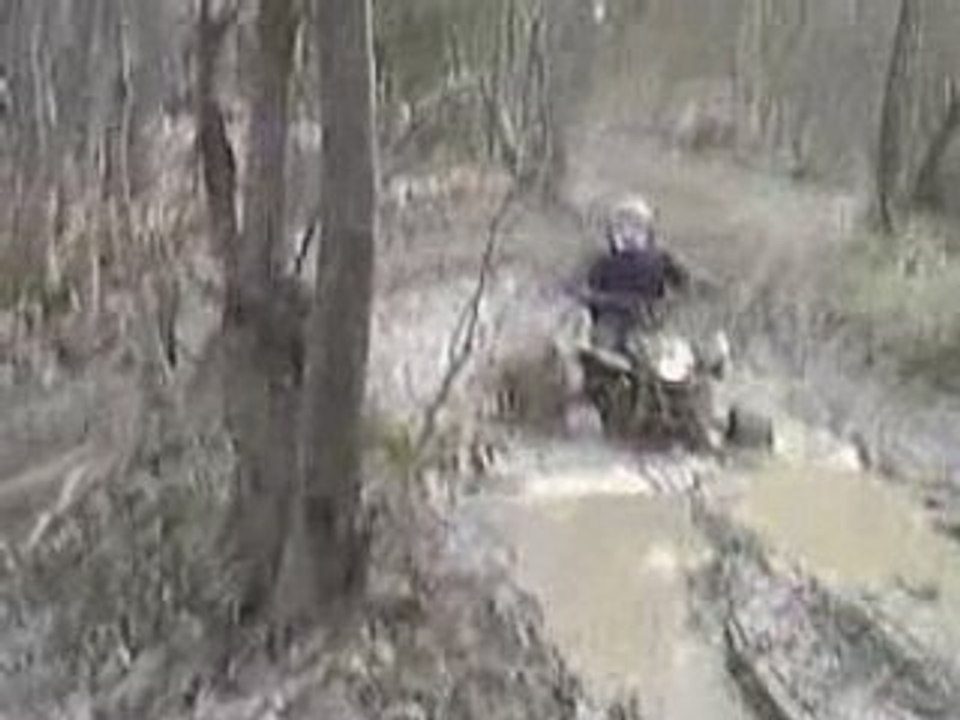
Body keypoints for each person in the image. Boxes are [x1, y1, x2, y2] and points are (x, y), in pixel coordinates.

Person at [583, 195, 689, 352]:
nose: (629, 235)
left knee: (674, 354)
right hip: (612, 322)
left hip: (650, 324)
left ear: (648, 232)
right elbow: (589, 295)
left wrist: (668, 303)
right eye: (621, 228)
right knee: (601, 350)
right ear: (612, 233)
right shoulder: (604, 262)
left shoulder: (661, 258)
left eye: (636, 228)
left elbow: (683, 283)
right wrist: (595, 302)